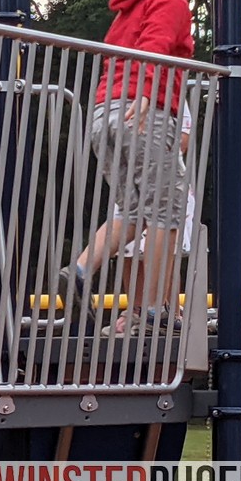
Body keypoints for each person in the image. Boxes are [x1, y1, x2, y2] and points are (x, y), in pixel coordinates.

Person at [59, 0, 197, 335]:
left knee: (133, 212)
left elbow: (117, 54)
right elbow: (157, 45)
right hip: (144, 113)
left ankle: (80, 269)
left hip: (105, 114)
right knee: (168, 211)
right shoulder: (171, 0)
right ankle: (154, 311)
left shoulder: (130, 6)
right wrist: (149, 92)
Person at [103, 101, 196, 336]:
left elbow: (183, 140)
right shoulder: (123, 95)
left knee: (166, 247)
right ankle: (135, 311)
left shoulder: (172, 94)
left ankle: (169, 311)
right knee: (129, 249)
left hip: (162, 177)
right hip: (132, 178)